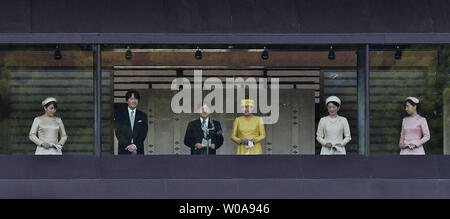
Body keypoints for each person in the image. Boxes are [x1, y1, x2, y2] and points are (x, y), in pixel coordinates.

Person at [114, 90, 148, 155]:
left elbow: (143, 133)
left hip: (138, 150)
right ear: (127, 101)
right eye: (131, 99)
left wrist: (135, 146)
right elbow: (118, 132)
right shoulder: (119, 115)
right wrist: (128, 145)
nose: (134, 101)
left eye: (136, 99)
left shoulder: (143, 115)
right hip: (124, 149)